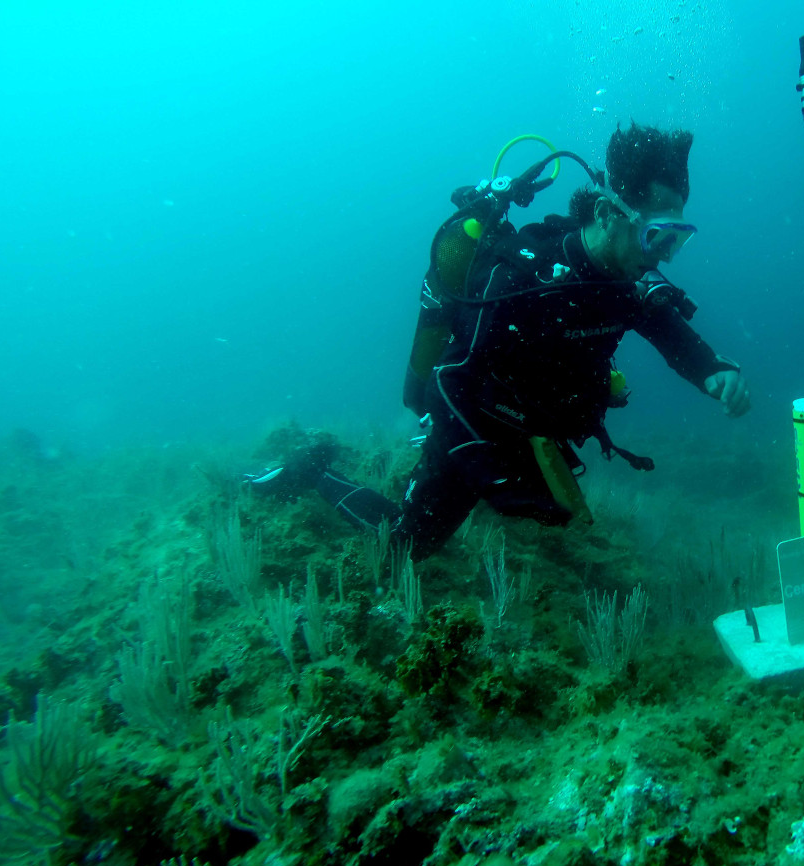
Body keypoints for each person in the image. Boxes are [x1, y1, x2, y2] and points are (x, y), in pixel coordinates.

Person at [250, 124, 750, 562]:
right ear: (606, 211)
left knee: (548, 513)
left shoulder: (624, 279)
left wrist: (711, 369)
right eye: (657, 235)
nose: (664, 255)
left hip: (536, 427)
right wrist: (494, 480)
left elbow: (664, 325)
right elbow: (447, 383)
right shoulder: (523, 278)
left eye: (677, 238)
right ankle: (315, 470)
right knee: (404, 544)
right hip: (474, 421)